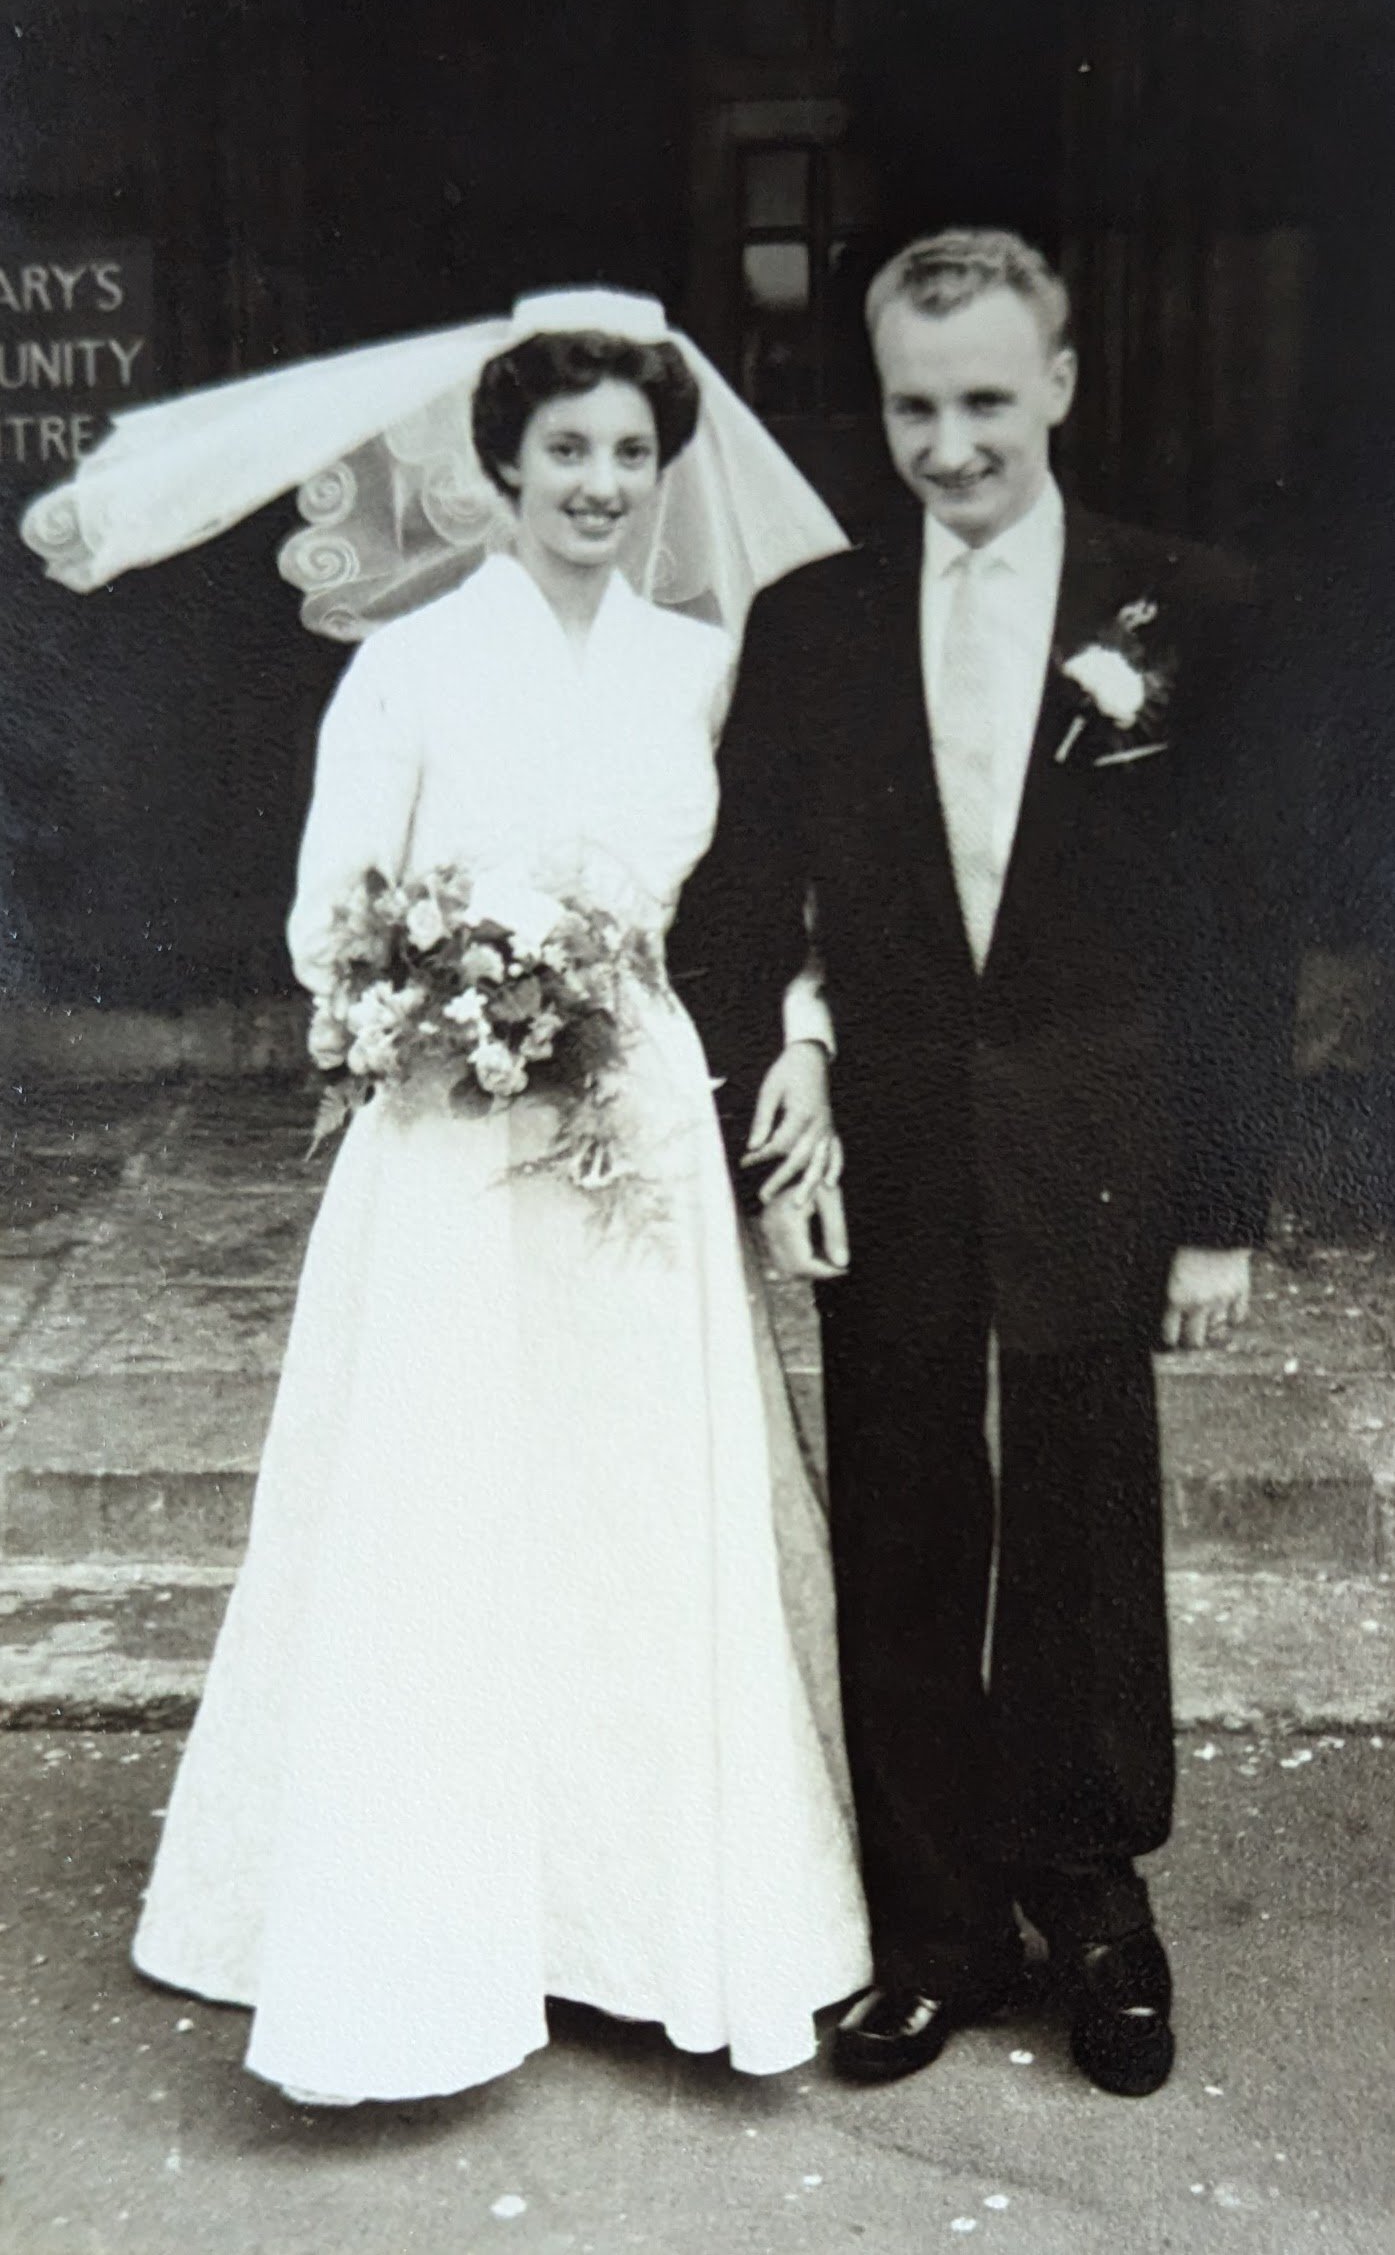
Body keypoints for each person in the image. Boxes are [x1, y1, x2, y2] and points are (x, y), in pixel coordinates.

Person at [21, 287, 871, 2104]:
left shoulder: (690, 659)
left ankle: (639, 1918)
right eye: (566, 449)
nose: (599, 482)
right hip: (451, 1124)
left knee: (631, 1491)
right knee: (451, 1492)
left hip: (635, 1118)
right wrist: (449, 998)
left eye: (631, 455)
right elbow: (331, 917)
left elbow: (743, 906)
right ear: (498, 465)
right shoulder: (406, 662)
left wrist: (778, 1021)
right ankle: (430, 1922)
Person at [674, 230, 1297, 2099]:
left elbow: (1241, 933)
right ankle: (932, 1920)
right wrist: (778, 1087)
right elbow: (739, 897)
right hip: (901, 1128)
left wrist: (1215, 1213)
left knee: (1089, 1513)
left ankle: (1093, 1899)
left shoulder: (1189, 608)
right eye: (913, 407)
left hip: (1102, 1126)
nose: (949, 445)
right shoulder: (817, 620)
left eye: (985, 403)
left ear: (1062, 385)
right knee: (907, 1506)